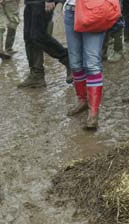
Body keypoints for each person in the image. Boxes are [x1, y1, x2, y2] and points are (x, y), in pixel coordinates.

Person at [64, 0, 106, 130]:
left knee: (92, 64)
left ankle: (93, 112)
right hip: (71, 11)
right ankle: (82, 100)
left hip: (95, 10)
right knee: (75, 63)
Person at [17, 0, 72, 88]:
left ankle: (67, 58)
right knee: (29, 38)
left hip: (42, 2)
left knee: (38, 35)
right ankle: (36, 75)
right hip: (30, 2)